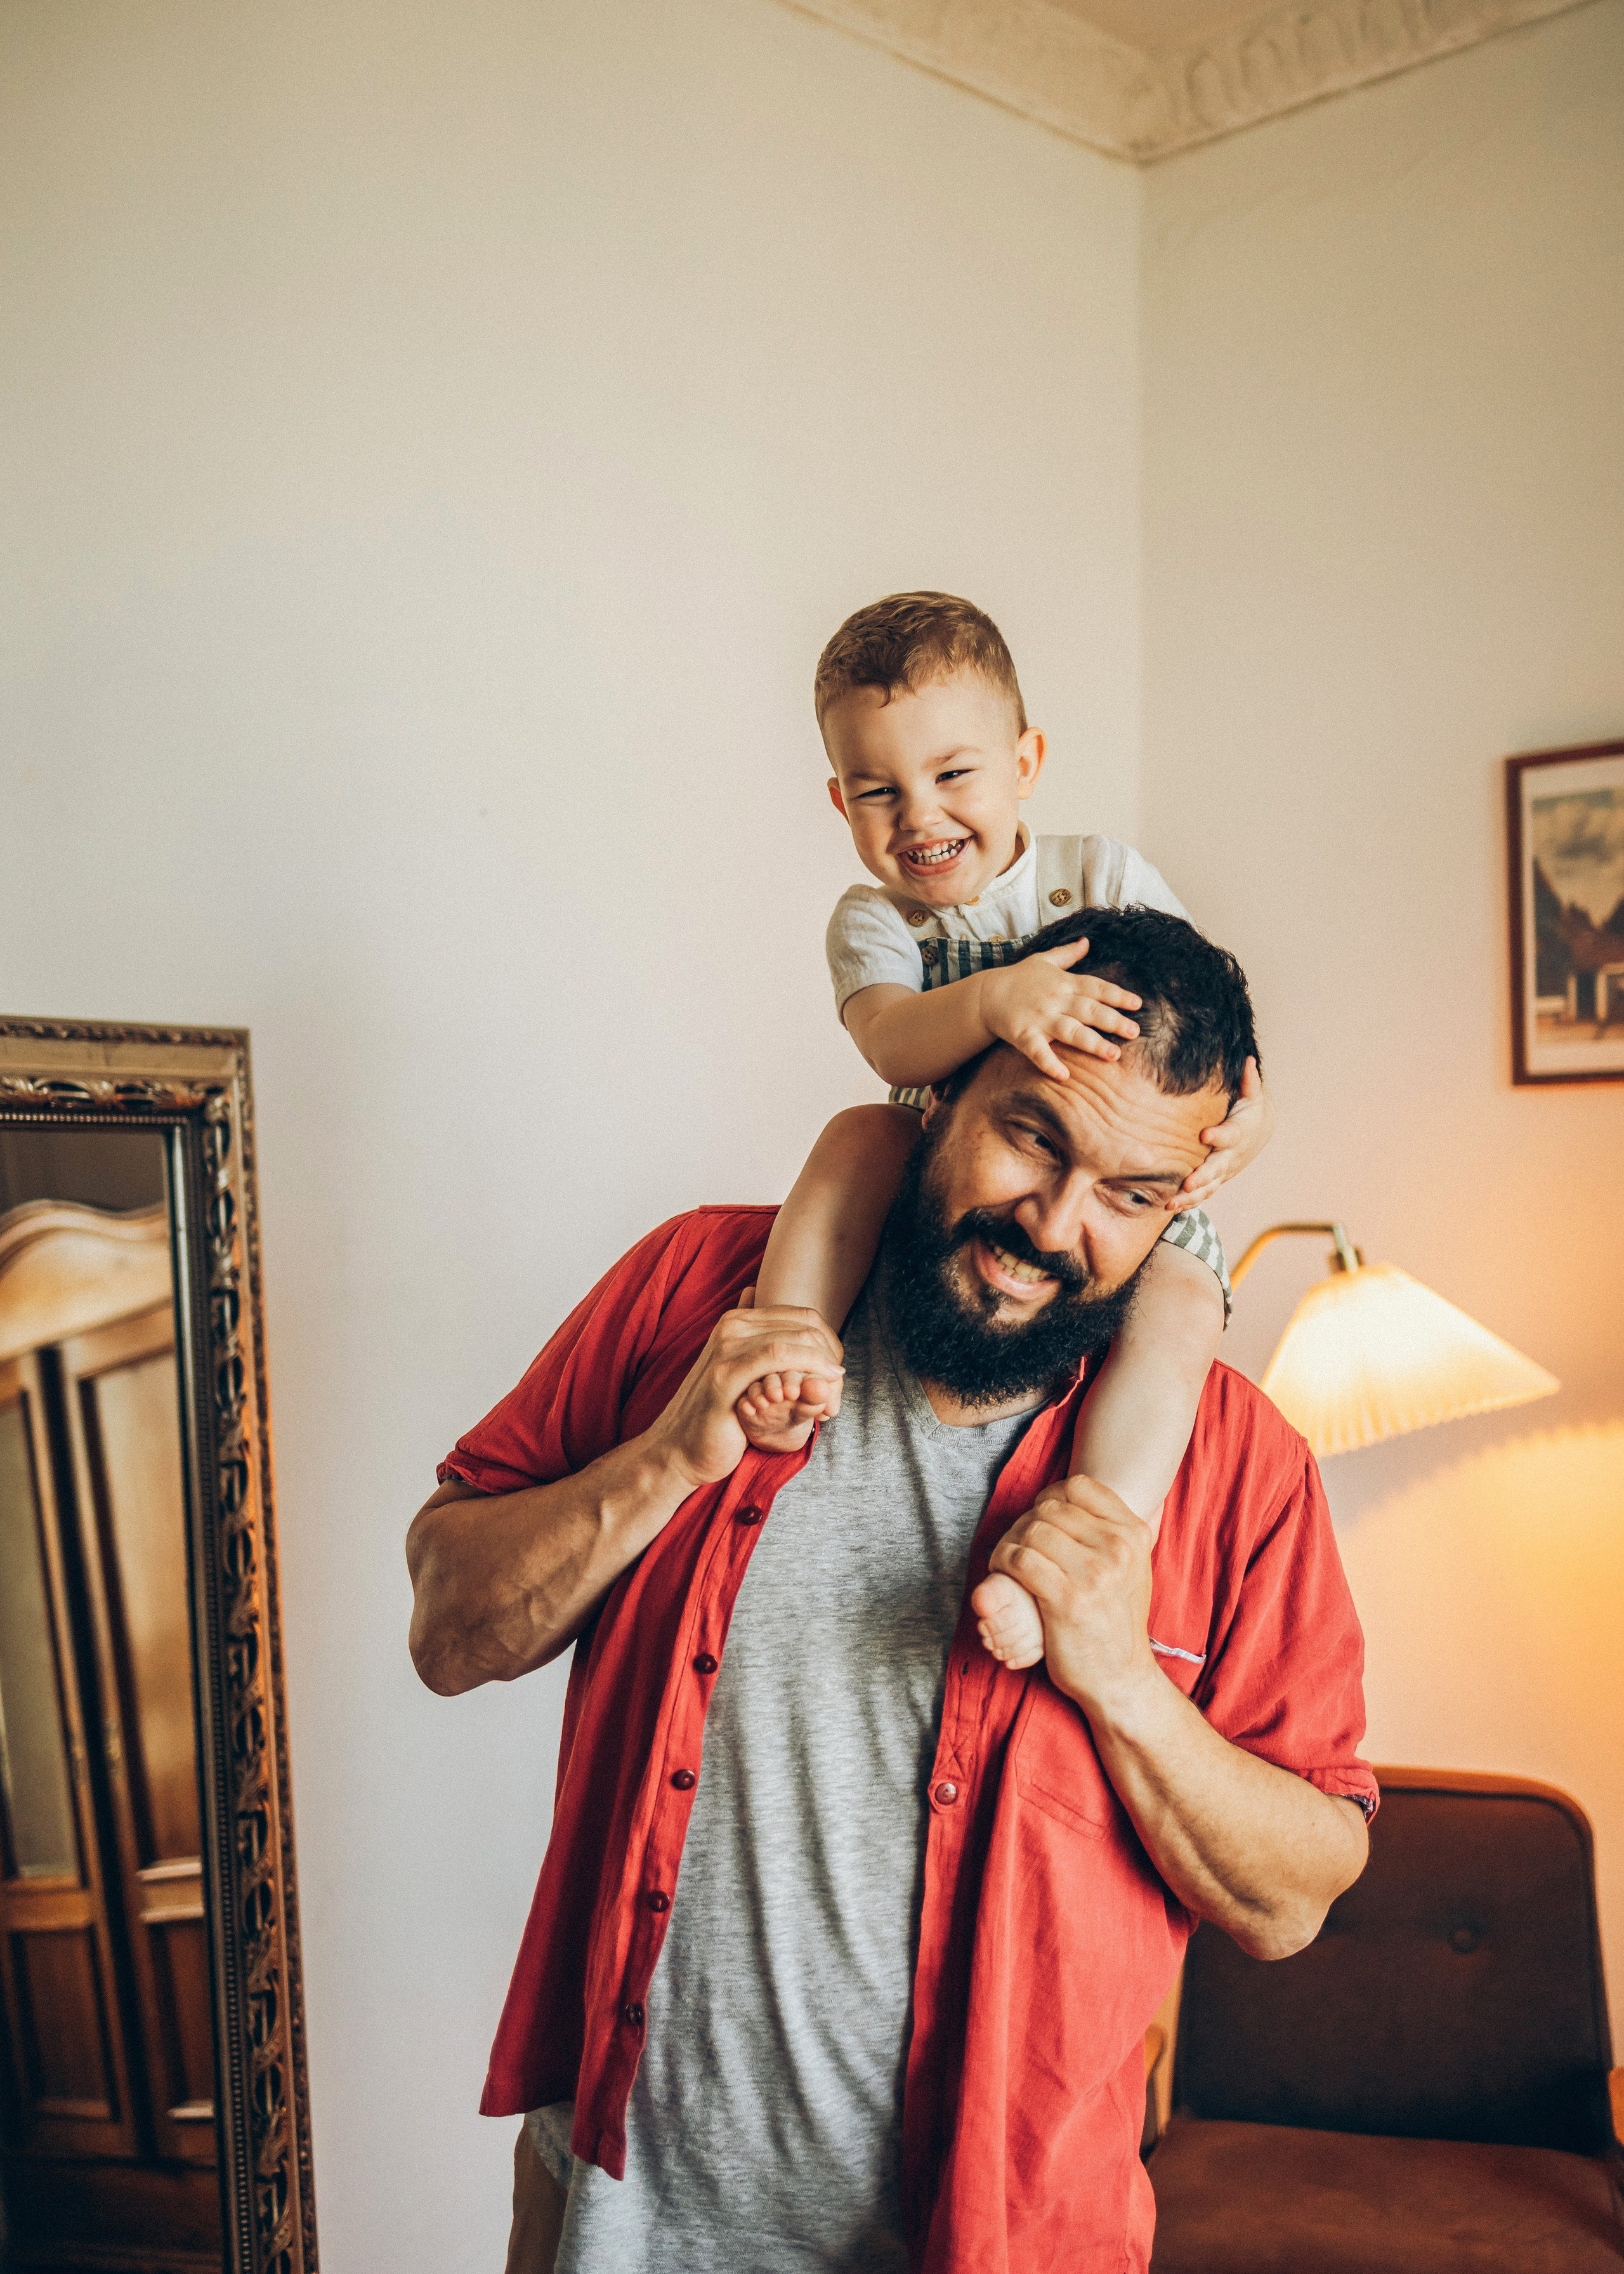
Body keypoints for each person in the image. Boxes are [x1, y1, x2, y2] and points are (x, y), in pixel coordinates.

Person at [407, 905, 1375, 2274]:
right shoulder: (698, 1293)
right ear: (940, 1088)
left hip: (999, 2241)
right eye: (1032, 1135)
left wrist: (1118, 1680)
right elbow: (448, 1626)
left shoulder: (1234, 1466)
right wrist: (671, 1456)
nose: (1053, 1225)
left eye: (1131, 1194)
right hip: (615, 2222)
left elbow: (1295, 1894)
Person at [734, 592, 1274, 1671]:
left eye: (952, 775)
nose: (920, 817)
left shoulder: (1105, 875)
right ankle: (784, 1349)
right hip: (938, 1154)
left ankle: (1090, 1541)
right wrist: (990, 1004)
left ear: (1026, 760)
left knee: (1178, 1315)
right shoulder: (878, 921)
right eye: (878, 791)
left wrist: (1253, 1116)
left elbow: (1197, 1021)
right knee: (852, 1137)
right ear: (840, 801)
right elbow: (890, 1043)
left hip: (1125, 1185)